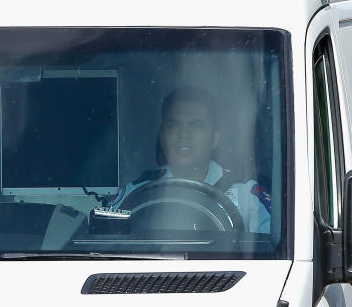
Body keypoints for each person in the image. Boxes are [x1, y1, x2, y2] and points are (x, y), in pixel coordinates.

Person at [111, 85, 271, 233]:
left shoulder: (247, 196)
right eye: (174, 125)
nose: (184, 134)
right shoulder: (137, 193)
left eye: (196, 125)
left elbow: (272, 255)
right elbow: (105, 240)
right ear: (162, 136)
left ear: (215, 138)